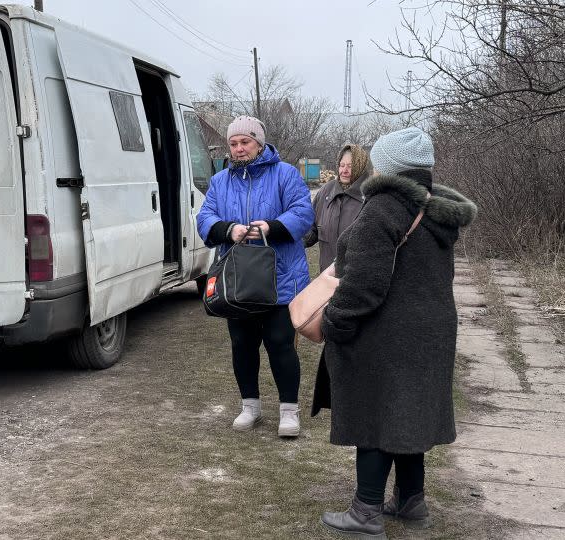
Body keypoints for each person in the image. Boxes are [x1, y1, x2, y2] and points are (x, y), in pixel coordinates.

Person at [314, 127, 477, 537]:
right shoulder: (436, 209)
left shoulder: (384, 207)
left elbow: (364, 284)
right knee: (408, 413)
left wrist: (336, 320)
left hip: (387, 333)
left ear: (386, 167)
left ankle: (366, 510)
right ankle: (410, 500)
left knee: (375, 414)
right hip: (431, 330)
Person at [196, 115, 314, 438]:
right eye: (233, 144)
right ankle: (250, 406)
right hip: (237, 280)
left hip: (281, 278)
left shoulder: (285, 174)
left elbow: (303, 212)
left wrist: (270, 227)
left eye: (244, 142)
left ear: (259, 144)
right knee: (242, 343)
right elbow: (205, 217)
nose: (238, 149)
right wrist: (227, 229)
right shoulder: (221, 182)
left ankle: (289, 411)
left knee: (280, 342)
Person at [303, 143, 371, 272]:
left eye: (351, 166)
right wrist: (294, 242)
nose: (344, 170)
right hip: (326, 276)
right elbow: (311, 229)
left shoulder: (370, 196)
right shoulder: (326, 191)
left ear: (360, 167)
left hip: (356, 281)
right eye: (341, 165)